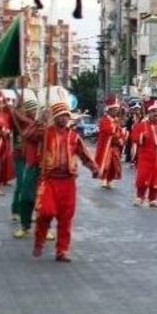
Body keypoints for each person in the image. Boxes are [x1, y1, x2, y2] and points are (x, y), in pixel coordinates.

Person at [32, 102, 100, 262]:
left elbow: (84, 154)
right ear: (55, 118)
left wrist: (94, 168)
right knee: (45, 212)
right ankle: (39, 240)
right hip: (49, 180)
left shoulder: (74, 137)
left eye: (66, 116)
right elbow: (29, 135)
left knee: (66, 218)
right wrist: (40, 121)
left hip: (68, 182)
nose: (64, 118)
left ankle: (62, 250)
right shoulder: (45, 133)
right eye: (60, 116)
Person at [9, 99, 41, 238]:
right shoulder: (20, 120)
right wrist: (14, 108)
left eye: (35, 109)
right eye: (31, 109)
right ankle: (17, 211)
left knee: (39, 193)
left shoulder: (39, 124)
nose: (34, 112)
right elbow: (13, 117)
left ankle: (39, 222)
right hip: (21, 156)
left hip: (36, 160)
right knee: (22, 185)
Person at [94, 97, 127, 189]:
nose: (116, 112)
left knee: (114, 164)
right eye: (114, 110)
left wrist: (121, 138)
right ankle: (104, 179)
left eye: (117, 110)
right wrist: (114, 126)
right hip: (107, 146)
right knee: (106, 163)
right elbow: (107, 131)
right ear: (109, 110)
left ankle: (110, 180)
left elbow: (119, 132)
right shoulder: (104, 120)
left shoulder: (116, 121)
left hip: (115, 147)